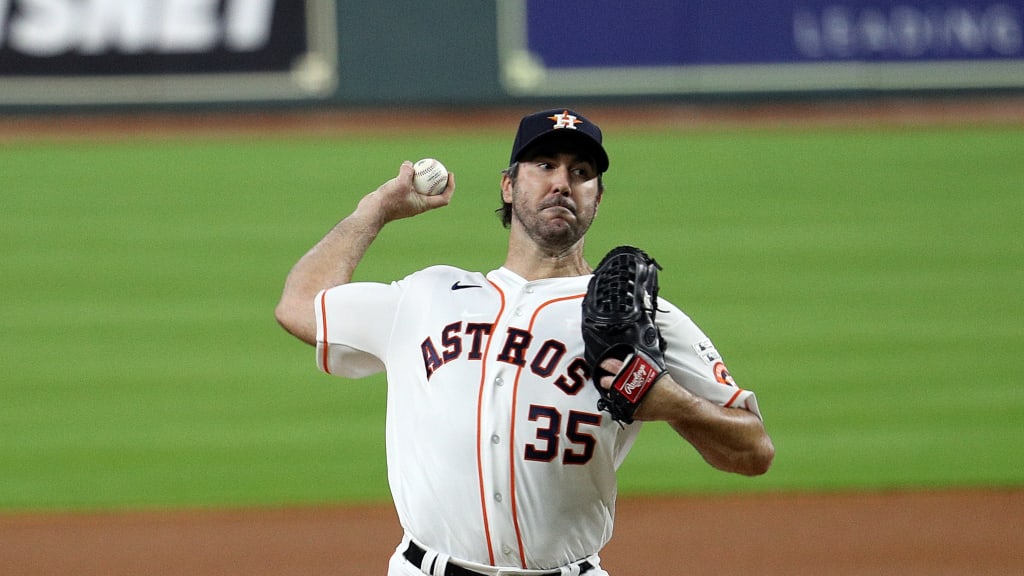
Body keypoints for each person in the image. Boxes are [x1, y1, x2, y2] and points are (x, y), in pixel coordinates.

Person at [275, 108, 775, 576]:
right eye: (544, 165)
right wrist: (376, 211)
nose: (562, 182)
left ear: (597, 198)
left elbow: (754, 451)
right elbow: (299, 306)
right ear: (510, 186)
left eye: (581, 172)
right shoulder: (428, 295)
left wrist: (675, 404)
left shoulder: (640, 318)